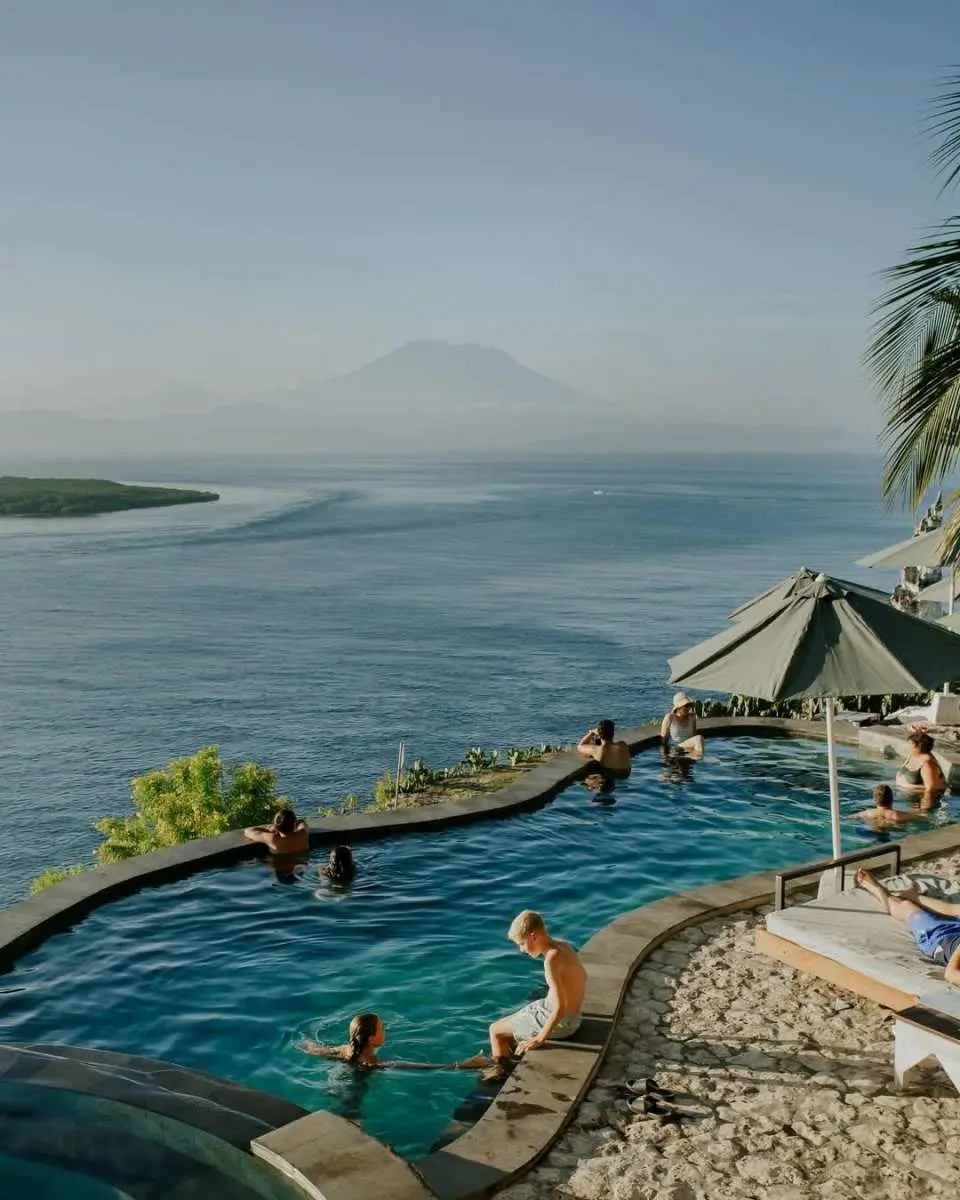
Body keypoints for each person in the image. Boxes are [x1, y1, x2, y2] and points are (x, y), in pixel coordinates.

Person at [488, 911, 586, 1067]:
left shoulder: (551, 960)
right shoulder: (564, 946)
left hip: (562, 1022)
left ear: (533, 936)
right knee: (506, 1019)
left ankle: (499, 1072)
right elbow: (583, 977)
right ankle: (510, 1056)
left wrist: (539, 1039)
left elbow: (559, 1009)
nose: (522, 950)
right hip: (571, 1017)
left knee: (495, 1031)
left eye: (521, 943)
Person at [856, 868, 960, 986]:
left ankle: (877, 889)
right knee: (952, 909)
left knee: (906, 906)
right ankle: (914, 897)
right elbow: (950, 974)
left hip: (936, 938)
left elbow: (950, 974)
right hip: (943, 934)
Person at [298, 1013, 493, 1070]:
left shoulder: (344, 1050)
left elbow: (316, 1050)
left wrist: (305, 1043)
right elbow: (418, 1066)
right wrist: (461, 1065)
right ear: (373, 1038)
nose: (386, 1030)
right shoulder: (373, 1063)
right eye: (382, 1028)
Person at [896, 730, 947, 812]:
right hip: (908, 801)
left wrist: (924, 810)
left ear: (917, 746)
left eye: (910, 744)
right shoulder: (913, 755)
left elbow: (931, 790)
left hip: (919, 804)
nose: (908, 746)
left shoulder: (928, 765)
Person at [244, 808, 310, 855]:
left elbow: (247, 831)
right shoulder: (303, 835)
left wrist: (269, 830)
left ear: (276, 826)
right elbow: (302, 823)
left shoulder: (273, 839)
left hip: (281, 870)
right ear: (293, 823)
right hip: (300, 870)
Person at [660, 693, 704, 760]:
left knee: (699, 738)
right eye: (686, 706)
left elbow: (693, 736)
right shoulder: (670, 717)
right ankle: (701, 759)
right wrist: (664, 757)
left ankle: (697, 758)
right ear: (678, 707)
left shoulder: (692, 717)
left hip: (688, 748)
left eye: (689, 705)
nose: (689, 708)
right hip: (675, 747)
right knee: (698, 738)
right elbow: (663, 740)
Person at [855, 784, 920, 829]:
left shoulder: (867, 813)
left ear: (874, 801)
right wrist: (916, 810)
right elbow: (922, 818)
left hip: (872, 831)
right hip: (894, 833)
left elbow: (847, 818)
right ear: (892, 799)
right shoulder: (898, 815)